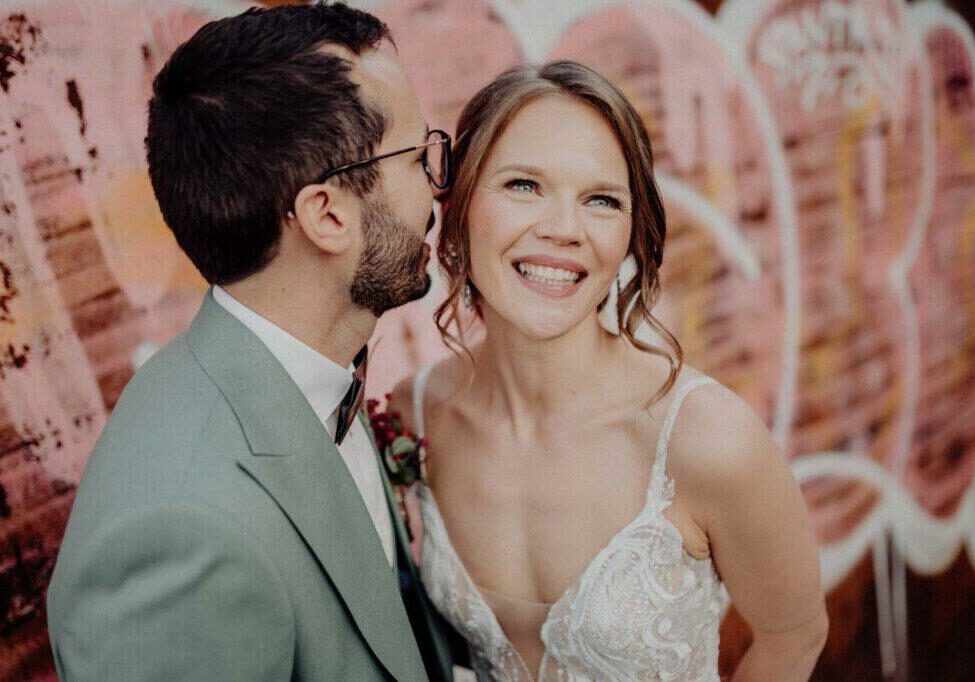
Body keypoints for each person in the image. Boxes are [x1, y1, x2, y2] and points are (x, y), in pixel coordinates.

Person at [46, 3, 457, 680]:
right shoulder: (185, 539)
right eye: (417, 158)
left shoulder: (304, 377)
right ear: (327, 215)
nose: (436, 190)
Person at [392, 61, 828, 681]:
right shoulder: (413, 417)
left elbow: (795, 638)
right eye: (523, 185)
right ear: (459, 204)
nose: (564, 230)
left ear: (630, 231)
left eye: (600, 200)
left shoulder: (707, 441)